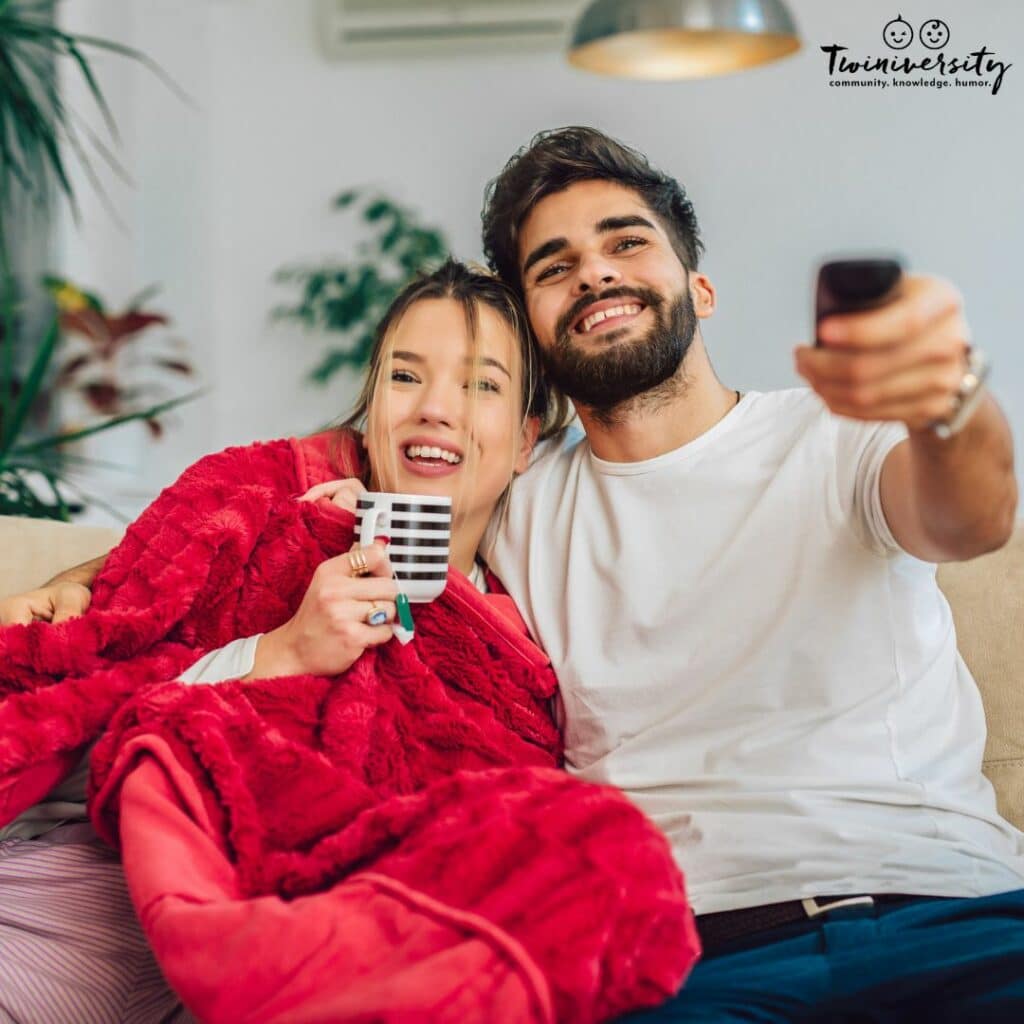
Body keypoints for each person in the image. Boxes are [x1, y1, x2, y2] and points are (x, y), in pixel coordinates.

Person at [9, 127, 1023, 1020]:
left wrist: (947, 398)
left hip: (952, 904)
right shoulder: (514, 496)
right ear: (536, 335)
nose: (593, 272)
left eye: (625, 243)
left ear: (698, 287)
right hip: (698, 957)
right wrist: (94, 574)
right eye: (553, 265)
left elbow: (967, 513)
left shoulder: (833, 439)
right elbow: (293, 484)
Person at [0, 259, 696, 1024]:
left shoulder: (515, 655)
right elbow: (87, 714)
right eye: (405, 376)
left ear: (528, 440)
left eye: (482, 385)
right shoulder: (268, 516)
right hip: (81, 897)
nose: (436, 408)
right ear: (371, 413)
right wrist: (279, 654)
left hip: (306, 960)